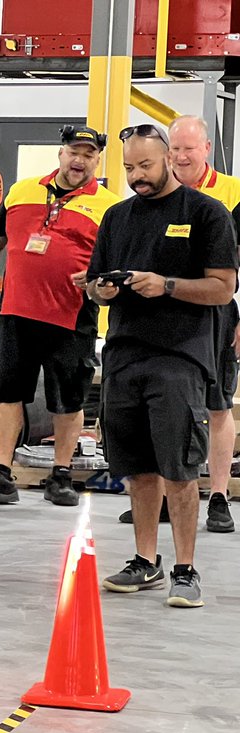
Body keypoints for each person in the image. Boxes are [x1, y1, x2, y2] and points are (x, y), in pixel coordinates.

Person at [87, 124, 237, 608]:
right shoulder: (117, 217)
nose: (137, 176)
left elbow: (222, 288)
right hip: (123, 354)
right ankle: (145, 560)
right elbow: (93, 283)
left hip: (179, 358)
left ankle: (185, 568)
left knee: (179, 469)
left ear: (170, 158)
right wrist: (101, 289)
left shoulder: (206, 213)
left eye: (146, 165)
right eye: (129, 167)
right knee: (138, 469)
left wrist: (166, 285)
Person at [0, 126, 120, 507]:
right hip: (16, 313)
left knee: (68, 399)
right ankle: (1, 473)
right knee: (7, 393)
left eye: (89, 155)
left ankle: (61, 476)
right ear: (60, 153)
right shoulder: (21, 192)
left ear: (98, 161)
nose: (80, 160)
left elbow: (116, 267)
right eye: (74, 152)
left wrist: (99, 281)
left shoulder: (110, 207)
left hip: (72, 318)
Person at [167, 114, 240, 533]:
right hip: (168, 314)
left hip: (218, 314)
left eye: (189, 148)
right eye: (175, 148)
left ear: (207, 149)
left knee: (218, 404)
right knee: (168, 403)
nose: (181, 156)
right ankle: (167, 495)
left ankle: (218, 496)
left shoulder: (232, 193)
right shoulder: (160, 193)